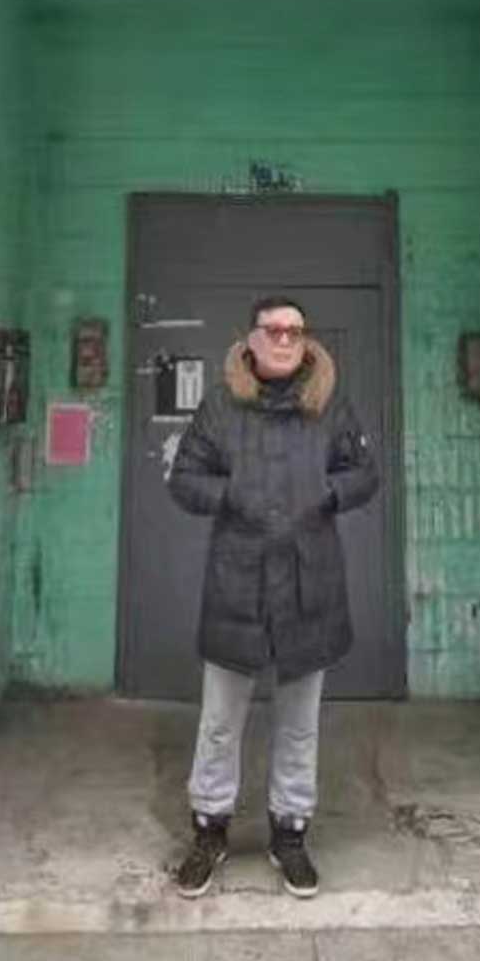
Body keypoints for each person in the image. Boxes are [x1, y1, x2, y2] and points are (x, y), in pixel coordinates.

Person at [167, 296, 379, 899]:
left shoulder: (330, 404)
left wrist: (328, 492)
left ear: (305, 341)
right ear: (252, 340)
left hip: (310, 585)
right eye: (274, 330)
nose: (285, 339)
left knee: (299, 725)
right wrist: (231, 494)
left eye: (295, 331)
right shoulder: (220, 405)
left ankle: (290, 835)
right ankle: (209, 831)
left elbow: (366, 474)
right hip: (237, 583)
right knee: (219, 723)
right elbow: (184, 479)